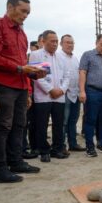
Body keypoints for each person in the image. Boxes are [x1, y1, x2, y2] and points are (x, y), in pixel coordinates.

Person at [0, 0, 45, 183]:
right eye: (23, 11)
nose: (25, 15)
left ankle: (16, 161)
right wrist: (19, 69)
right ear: (10, 7)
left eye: (28, 12)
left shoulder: (22, 34)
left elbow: (23, 62)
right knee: (2, 126)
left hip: (21, 86)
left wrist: (32, 75)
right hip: (4, 86)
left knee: (19, 125)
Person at [30, 30, 70, 163]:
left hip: (59, 96)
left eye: (56, 41)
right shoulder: (36, 55)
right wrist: (50, 90)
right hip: (43, 97)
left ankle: (57, 149)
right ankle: (44, 151)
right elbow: (37, 76)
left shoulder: (61, 57)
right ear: (44, 41)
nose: (55, 44)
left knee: (58, 124)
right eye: (52, 41)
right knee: (42, 124)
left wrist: (62, 90)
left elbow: (67, 76)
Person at [59, 34, 85, 152]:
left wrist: (80, 91)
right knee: (63, 121)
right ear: (61, 44)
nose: (70, 45)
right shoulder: (58, 56)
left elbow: (79, 75)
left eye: (72, 43)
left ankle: (73, 144)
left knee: (73, 121)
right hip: (64, 94)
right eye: (67, 42)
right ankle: (62, 145)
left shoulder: (75, 58)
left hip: (75, 93)